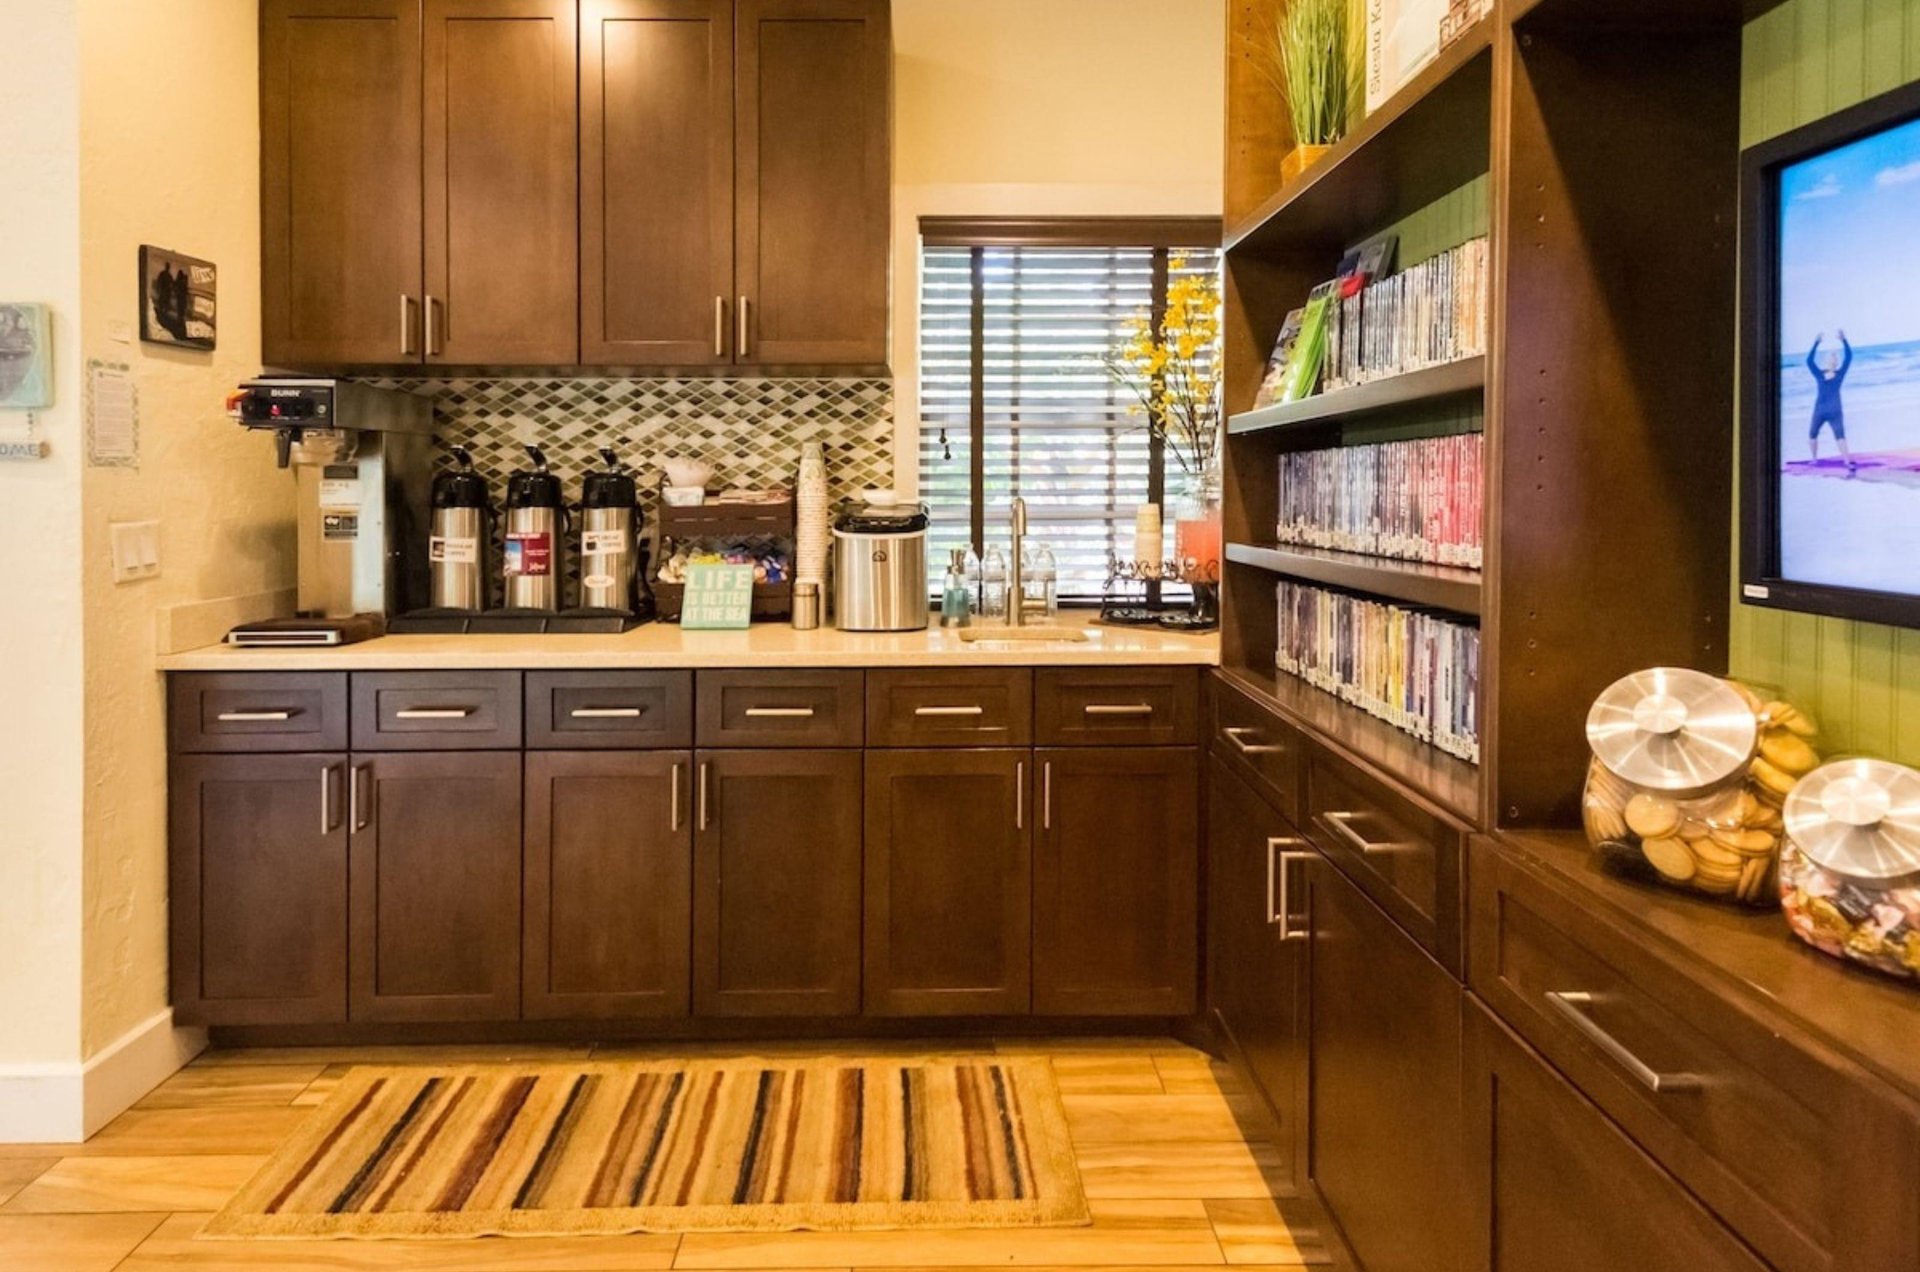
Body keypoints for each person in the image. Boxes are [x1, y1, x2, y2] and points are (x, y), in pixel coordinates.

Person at [1806, 330, 1855, 470]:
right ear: (1832, 362)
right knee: (1839, 436)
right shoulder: (1839, 374)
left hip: (1822, 410)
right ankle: (1846, 462)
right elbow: (1849, 358)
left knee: (1813, 434)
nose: (1832, 360)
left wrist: (1816, 343)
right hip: (1833, 410)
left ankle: (1815, 460)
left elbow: (1809, 361)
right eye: (1832, 358)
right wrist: (1844, 340)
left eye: (1833, 358)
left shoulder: (1819, 374)